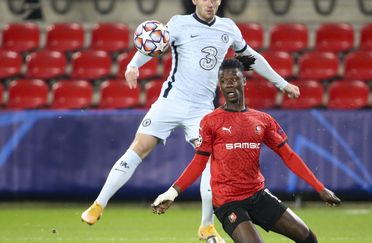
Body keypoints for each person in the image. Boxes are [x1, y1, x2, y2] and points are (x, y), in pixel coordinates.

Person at [81, 0, 300, 241]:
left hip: (202, 110)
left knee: (213, 162)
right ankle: (98, 205)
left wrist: (283, 83)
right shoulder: (178, 24)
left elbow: (252, 57)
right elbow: (154, 41)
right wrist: (133, 65)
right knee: (139, 147)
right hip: (170, 101)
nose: (211, 2)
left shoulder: (228, 28)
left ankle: (206, 226)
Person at [151, 57, 341, 243]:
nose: (229, 85)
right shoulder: (211, 121)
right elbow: (199, 162)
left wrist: (320, 188)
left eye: (233, 79)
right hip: (228, 202)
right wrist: (173, 192)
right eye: (223, 81)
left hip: (258, 195)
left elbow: (288, 156)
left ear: (244, 80)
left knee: (309, 238)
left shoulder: (262, 120)